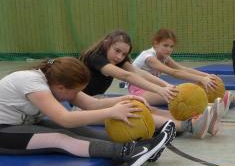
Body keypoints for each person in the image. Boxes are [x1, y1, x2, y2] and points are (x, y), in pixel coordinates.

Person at [0, 57, 172, 166]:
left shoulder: (56, 81)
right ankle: (127, 153)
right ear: (61, 87)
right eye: (75, 91)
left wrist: (125, 99)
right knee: (59, 137)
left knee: (82, 130)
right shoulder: (32, 83)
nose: (75, 95)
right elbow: (65, 119)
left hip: (23, 126)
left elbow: (93, 104)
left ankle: (139, 145)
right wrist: (112, 112)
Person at [81, 30, 216, 139]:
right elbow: (126, 76)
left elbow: (138, 72)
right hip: (82, 107)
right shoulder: (95, 57)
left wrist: (165, 86)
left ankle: (195, 121)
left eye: (123, 54)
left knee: (149, 108)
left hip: (96, 100)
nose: (119, 57)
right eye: (117, 51)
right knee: (136, 112)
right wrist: (159, 90)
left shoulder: (117, 59)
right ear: (106, 44)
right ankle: (188, 126)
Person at [132, 29, 235, 119]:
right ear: (155, 43)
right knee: (181, 95)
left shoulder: (164, 56)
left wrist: (205, 76)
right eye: (165, 45)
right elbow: (173, 72)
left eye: (171, 46)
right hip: (140, 92)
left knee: (189, 91)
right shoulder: (149, 57)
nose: (169, 49)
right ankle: (219, 105)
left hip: (156, 88)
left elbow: (182, 68)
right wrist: (201, 79)